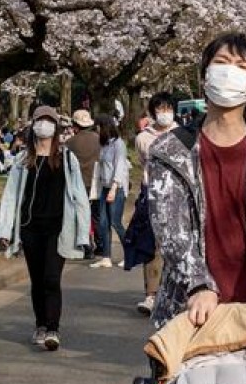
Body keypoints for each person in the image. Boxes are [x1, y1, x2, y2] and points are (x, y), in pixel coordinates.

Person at [147, 32, 246, 331]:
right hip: (190, 312)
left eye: (242, 67)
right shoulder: (169, 151)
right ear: (205, 76)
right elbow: (170, 227)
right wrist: (197, 285)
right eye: (221, 62)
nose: (229, 71)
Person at [0, 105, 91, 351]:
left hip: (58, 228)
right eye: (40, 120)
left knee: (51, 278)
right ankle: (40, 324)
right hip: (30, 228)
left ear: (56, 127)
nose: (43, 125)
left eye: (49, 121)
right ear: (33, 125)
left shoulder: (67, 159)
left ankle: (52, 329)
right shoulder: (22, 160)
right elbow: (10, 197)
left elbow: (79, 197)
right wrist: (4, 231)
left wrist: (84, 233)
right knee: (37, 281)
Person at [131, 92, 177, 316]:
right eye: (160, 109)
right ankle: (151, 294)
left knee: (175, 245)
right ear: (152, 112)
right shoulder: (143, 138)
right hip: (151, 195)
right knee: (152, 245)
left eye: (168, 108)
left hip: (177, 196)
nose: (164, 113)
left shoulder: (182, 135)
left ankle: (173, 293)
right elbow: (143, 162)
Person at [90, 114, 130, 269]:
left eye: (98, 126)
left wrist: (114, 187)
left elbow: (120, 166)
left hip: (116, 188)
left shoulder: (118, 144)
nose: (97, 129)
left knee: (115, 222)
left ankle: (129, 253)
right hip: (104, 187)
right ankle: (106, 256)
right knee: (103, 223)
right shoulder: (104, 145)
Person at [65, 109, 102, 259]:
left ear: (75, 126)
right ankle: (102, 244)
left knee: (81, 214)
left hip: (79, 183)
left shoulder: (70, 143)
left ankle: (85, 245)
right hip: (96, 182)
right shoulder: (99, 139)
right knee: (97, 215)